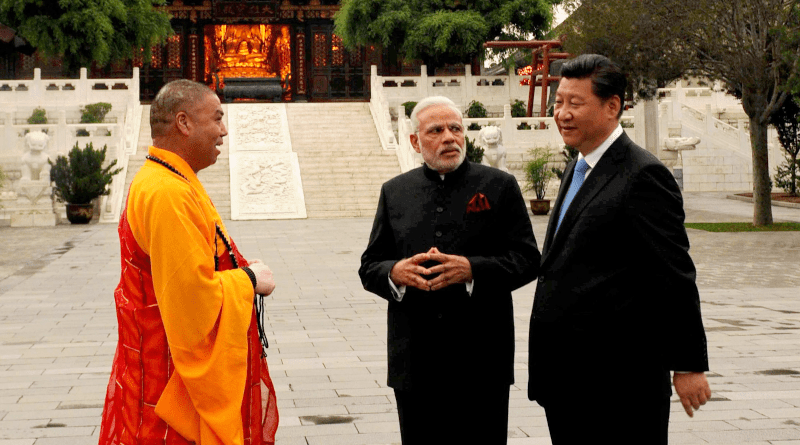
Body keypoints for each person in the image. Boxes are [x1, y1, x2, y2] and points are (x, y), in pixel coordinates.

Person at [526, 54, 711, 444]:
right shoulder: (578, 167)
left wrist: (688, 364)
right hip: (567, 378)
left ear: (613, 107)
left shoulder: (642, 175)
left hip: (619, 384)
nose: (562, 113)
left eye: (575, 103)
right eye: (559, 102)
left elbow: (674, 275)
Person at [99, 79, 279, 445]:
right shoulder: (166, 192)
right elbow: (191, 297)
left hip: (159, 365)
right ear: (183, 123)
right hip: (168, 378)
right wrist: (248, 279)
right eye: (216, 119)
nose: (224, 130)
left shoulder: (169, 179)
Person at [359, 96, 540, 444]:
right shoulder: (396, 192)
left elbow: (528, 259)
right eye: (436, 130)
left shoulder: (499, 186)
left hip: (481, 358)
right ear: (415, 141)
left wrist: (472, 269)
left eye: (456, 128)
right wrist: (395, 273)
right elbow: (370, 266)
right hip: (415, 358)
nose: (449, 138)